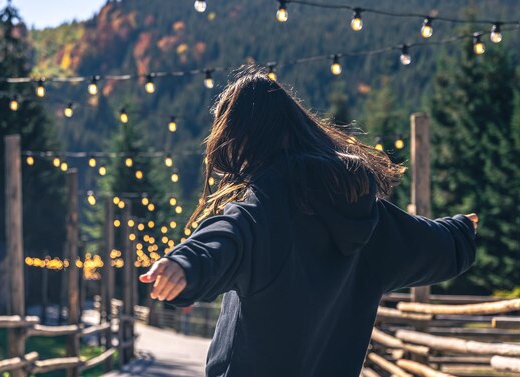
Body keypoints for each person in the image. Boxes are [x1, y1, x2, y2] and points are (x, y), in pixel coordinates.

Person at [139, 70, 477, 376]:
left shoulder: (266, 214)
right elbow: (429, 242)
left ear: (246, 142)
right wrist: (461, 232)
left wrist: (184, 264)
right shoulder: (370, 219)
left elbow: (226, 237)